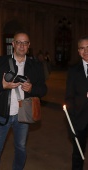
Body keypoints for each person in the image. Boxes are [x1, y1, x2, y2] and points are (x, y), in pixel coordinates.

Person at [0, 31, 47, 170]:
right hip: (2, 113)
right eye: (19, 42)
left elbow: (43, 90)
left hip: (23, 115)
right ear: (13, 44)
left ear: (29, 45)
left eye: (25, 43)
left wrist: (31, 89)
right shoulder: (0, 62)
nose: (22, 46)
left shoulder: (35, 65)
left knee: (21, 148)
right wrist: (2, 86)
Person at [65, 36, 88, 170]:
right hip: (80, 119)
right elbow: (69, 98)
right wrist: (72, 122)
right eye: (82, 48)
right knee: (78, 154)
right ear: (78, 51)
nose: (85, 51)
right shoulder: (73, 70)